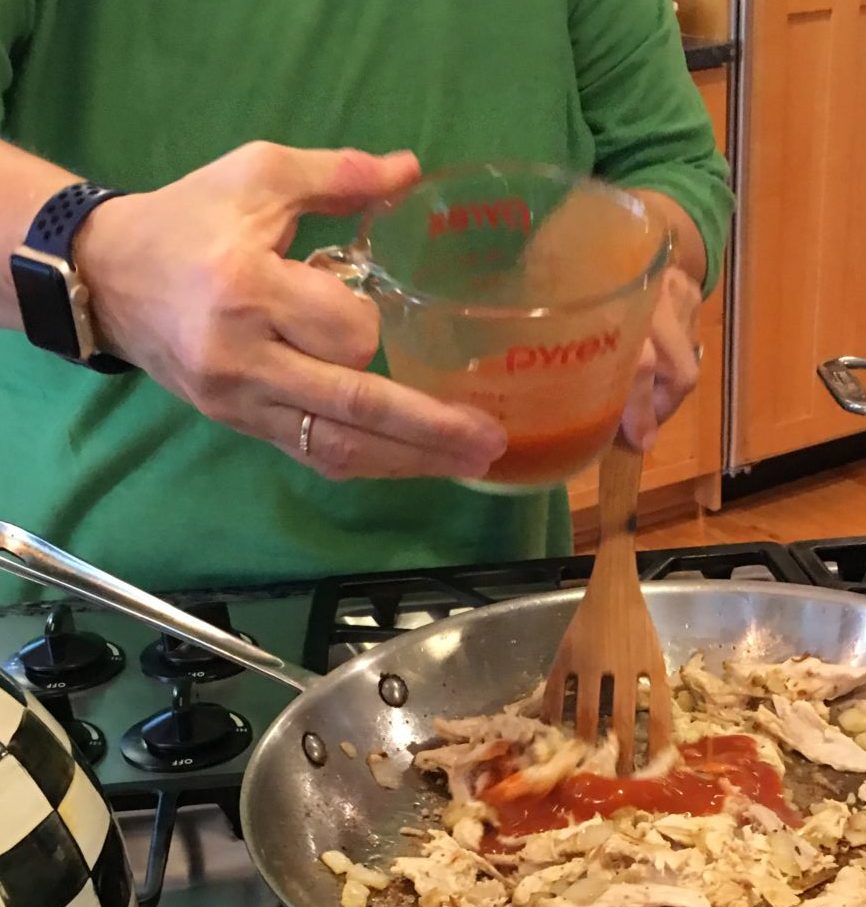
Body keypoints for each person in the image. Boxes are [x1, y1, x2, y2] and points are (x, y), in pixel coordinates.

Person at [0, 2, 733, 600]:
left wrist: (624, 270)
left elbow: (669, 164)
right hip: (101, 599)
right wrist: (97, 260)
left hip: (488, 583)